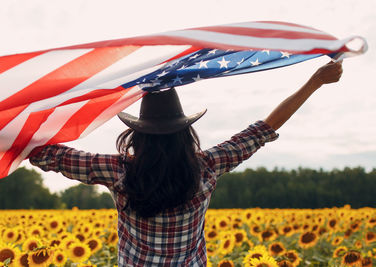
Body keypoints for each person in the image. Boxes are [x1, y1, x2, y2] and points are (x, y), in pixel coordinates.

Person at [29, 60, 343, 266]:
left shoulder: (118, 171)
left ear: (138, 135)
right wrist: (315, 81)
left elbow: (47, 154)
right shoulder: (207, 166)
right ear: (185, 134)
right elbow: (265, 128)